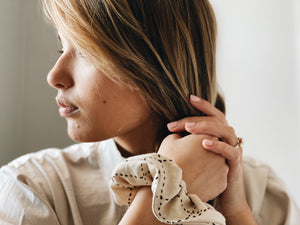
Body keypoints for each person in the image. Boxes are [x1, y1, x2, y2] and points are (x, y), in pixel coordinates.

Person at [0, 0, 299, 224]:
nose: (54, 76)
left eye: (86, 51)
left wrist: (237, 214)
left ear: (157, 62)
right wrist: (161, 195)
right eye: (60, 48)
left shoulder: (264, 195)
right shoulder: (30, 190)